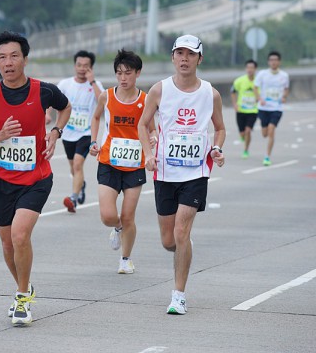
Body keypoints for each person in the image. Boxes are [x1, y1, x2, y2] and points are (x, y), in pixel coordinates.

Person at [0, 31, 71, 326]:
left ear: (25, 59)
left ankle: (22, 298)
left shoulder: (44, 91)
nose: (8, 62)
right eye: (2, 57)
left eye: (14, 56)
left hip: (36, 178)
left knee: (19, 235)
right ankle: (24, 287)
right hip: (1, 180)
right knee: (8, 245)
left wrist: (55, 132)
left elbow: (65, 107)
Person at [138, 34, 225, 315]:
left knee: (181, 230)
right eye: (180, 53)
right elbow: (143, 124)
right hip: (165, 172)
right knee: (169, 241)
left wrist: (217, 148)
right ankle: (183, 247)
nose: (184, 59)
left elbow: (220, 128)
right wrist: (148, 154)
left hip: (196, 172)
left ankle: (178, 296)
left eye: (190, 54)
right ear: (173, 57)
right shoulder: (159, 90)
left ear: (200, 59)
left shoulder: (210, 94)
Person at [89, 49, 156, 274]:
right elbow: (96, 117)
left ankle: (125, 259)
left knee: (128, 216)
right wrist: (93, 141)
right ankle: (117, 228)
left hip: (134, 165)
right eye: (119, 73)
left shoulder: (146, 100)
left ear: (138, 73)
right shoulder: (106, 96)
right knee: (108, 216)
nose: (123, 78)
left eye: (128, 73)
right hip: (108, 161)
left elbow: (152, 129)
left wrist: (153, 139)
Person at [48, 50, 104, 213]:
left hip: (86, 133)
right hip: (68, 132)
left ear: (91, 68)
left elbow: (103, 101)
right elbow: (52, 99)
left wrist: (92, 82)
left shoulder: (95, 85)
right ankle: (81, 185)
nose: (82, 69)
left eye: (86, 66)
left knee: (78, 164)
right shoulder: (65, 84)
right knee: (73, 167)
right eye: (79, 65)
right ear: (74, 66)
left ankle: (73, 198)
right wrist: (47, 114)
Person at [254, 51, 289, 166]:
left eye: (275, 60)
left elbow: (286, 88)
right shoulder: (262, 74)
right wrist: (259, 98)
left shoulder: (284, 75)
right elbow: (255, 87)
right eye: (271, 60)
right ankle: (267, 150)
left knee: (271, 129)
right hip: (263, 108)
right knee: (265, 133)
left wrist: (284, 97)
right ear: (268, 62)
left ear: (279, 61)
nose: (273, 62)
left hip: (277, 108)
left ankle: (267, 156)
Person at [230, 59, 258, 158]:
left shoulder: (258, 81)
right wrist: (235, 104)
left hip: (253, 111)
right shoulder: (240, 81)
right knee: (242, 133)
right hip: (241, 110)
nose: (250, 69)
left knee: (248, 131)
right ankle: (243, 136)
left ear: (255, 69)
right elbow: (232, 91)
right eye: (248, 67)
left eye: (252, 68)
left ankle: (246, 150)